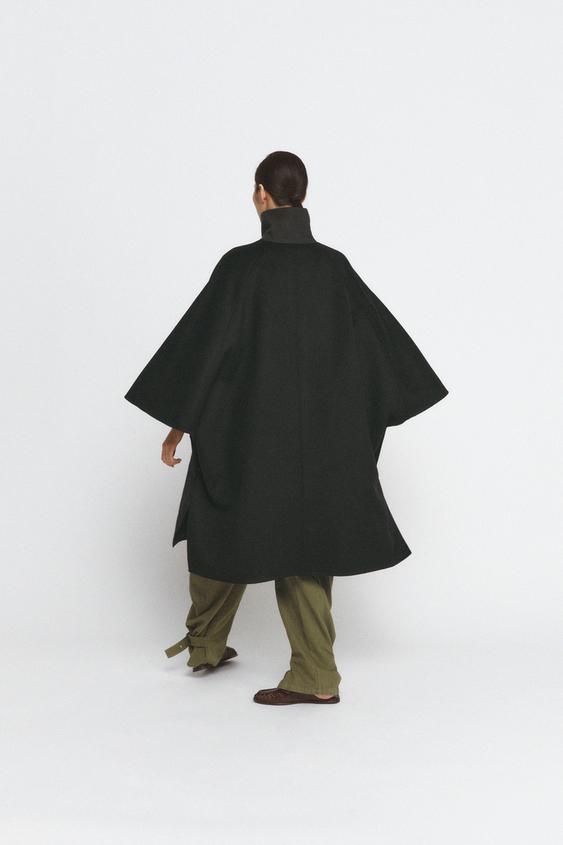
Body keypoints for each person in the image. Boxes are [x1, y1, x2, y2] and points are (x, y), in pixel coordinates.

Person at [124, 151, 448, 706]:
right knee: (305, 542)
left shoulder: (239, 268)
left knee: (219, 519)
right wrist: (355, 427)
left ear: (260, 194)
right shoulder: (334, 268)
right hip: (321, 444)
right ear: (303, 196)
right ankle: (272, 662)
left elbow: (202, 353)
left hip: (245, 439)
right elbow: (379, 354)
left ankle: (233, 652)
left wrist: (179, 425)